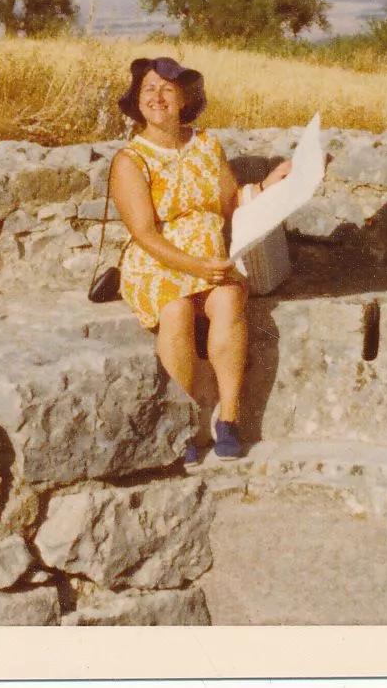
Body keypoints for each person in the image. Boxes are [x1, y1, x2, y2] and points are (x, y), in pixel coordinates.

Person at [110, 56, 290, 466]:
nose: (157, 98)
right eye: (148, 90)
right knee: (175, 311)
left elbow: (229, 203)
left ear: (184, 99)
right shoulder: (130, 160)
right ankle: (183, 424)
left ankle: (228, 419)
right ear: (137, 102)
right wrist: (196, 269)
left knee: (228, 300)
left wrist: (266, 186)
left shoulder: (207, 144)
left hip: (208, 259)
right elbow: (144, 234)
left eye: (167, 90)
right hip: (158, 263)